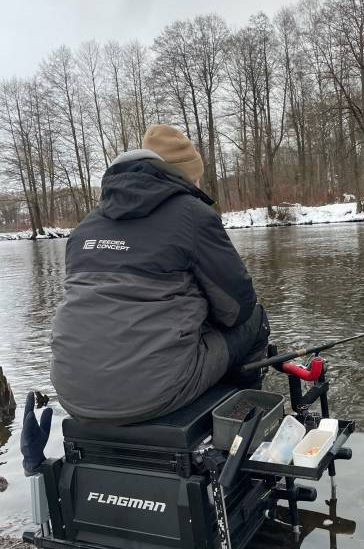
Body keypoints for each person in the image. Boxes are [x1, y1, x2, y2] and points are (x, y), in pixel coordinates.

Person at [50, 124, 269, 424]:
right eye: (197, 176)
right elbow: (238, 308)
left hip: (73, 395)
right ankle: (243, 427)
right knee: (256, 322)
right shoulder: (193, 214)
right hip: (155, 392)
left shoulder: (85, 227)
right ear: (186, 175)